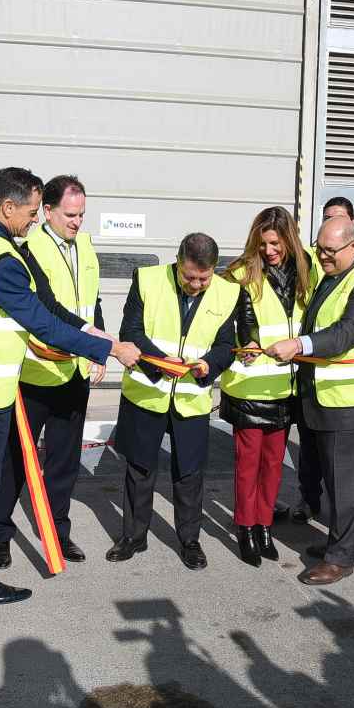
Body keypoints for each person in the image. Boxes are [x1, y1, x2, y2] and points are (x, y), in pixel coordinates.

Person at [0, 168, 140, 605]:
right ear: (8, 207)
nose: (35, 220)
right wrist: (109, 351)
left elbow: (45, 307)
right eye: (33, 213)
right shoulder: (3, 259)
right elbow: (41, 324)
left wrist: (101, 337)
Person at [266, 217, 354, 584]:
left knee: (346, 486)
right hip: (331, 399)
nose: (322, 256)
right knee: (342, 483)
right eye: (319, 248)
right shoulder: (335, 275)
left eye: (330, 251)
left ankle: (340, 559)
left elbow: (347, 332)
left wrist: (298, 346)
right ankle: (349, 544)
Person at [0, 175, 105, 569]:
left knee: (64, 461)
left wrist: (99, 351)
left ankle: (58, 532)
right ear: (49, 211)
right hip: (35, 374)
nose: (77, 222)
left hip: (74, 373)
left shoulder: (85, 246)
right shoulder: (28, 248)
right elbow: (44, 311)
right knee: (15, 461)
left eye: (82, 215)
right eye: (70, 215)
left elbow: (92, 303)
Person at [108, 233, 240, 570]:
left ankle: (190, 542)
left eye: (204, 278)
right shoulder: (148, 280)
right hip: (147, 392)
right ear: (178, 262)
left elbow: (227, 345)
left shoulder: (228, 292)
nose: (196, 284)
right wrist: (161, 361)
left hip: (191, 398)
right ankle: (133, 537)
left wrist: (210, 363)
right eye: (189, 276)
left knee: (189, 474)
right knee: (139, 469)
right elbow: (131, 331)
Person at [219, 207, 314, 566]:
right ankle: (245, 527)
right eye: (263, 244)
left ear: (288, 239)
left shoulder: (307, 268)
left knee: (274, 462)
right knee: (248, 464)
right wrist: (243, 341)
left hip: (285, 386)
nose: (269, 250)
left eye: (275, 243)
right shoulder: (239, 273)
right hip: (249, 386)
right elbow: (227, 321)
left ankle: (264, 526)